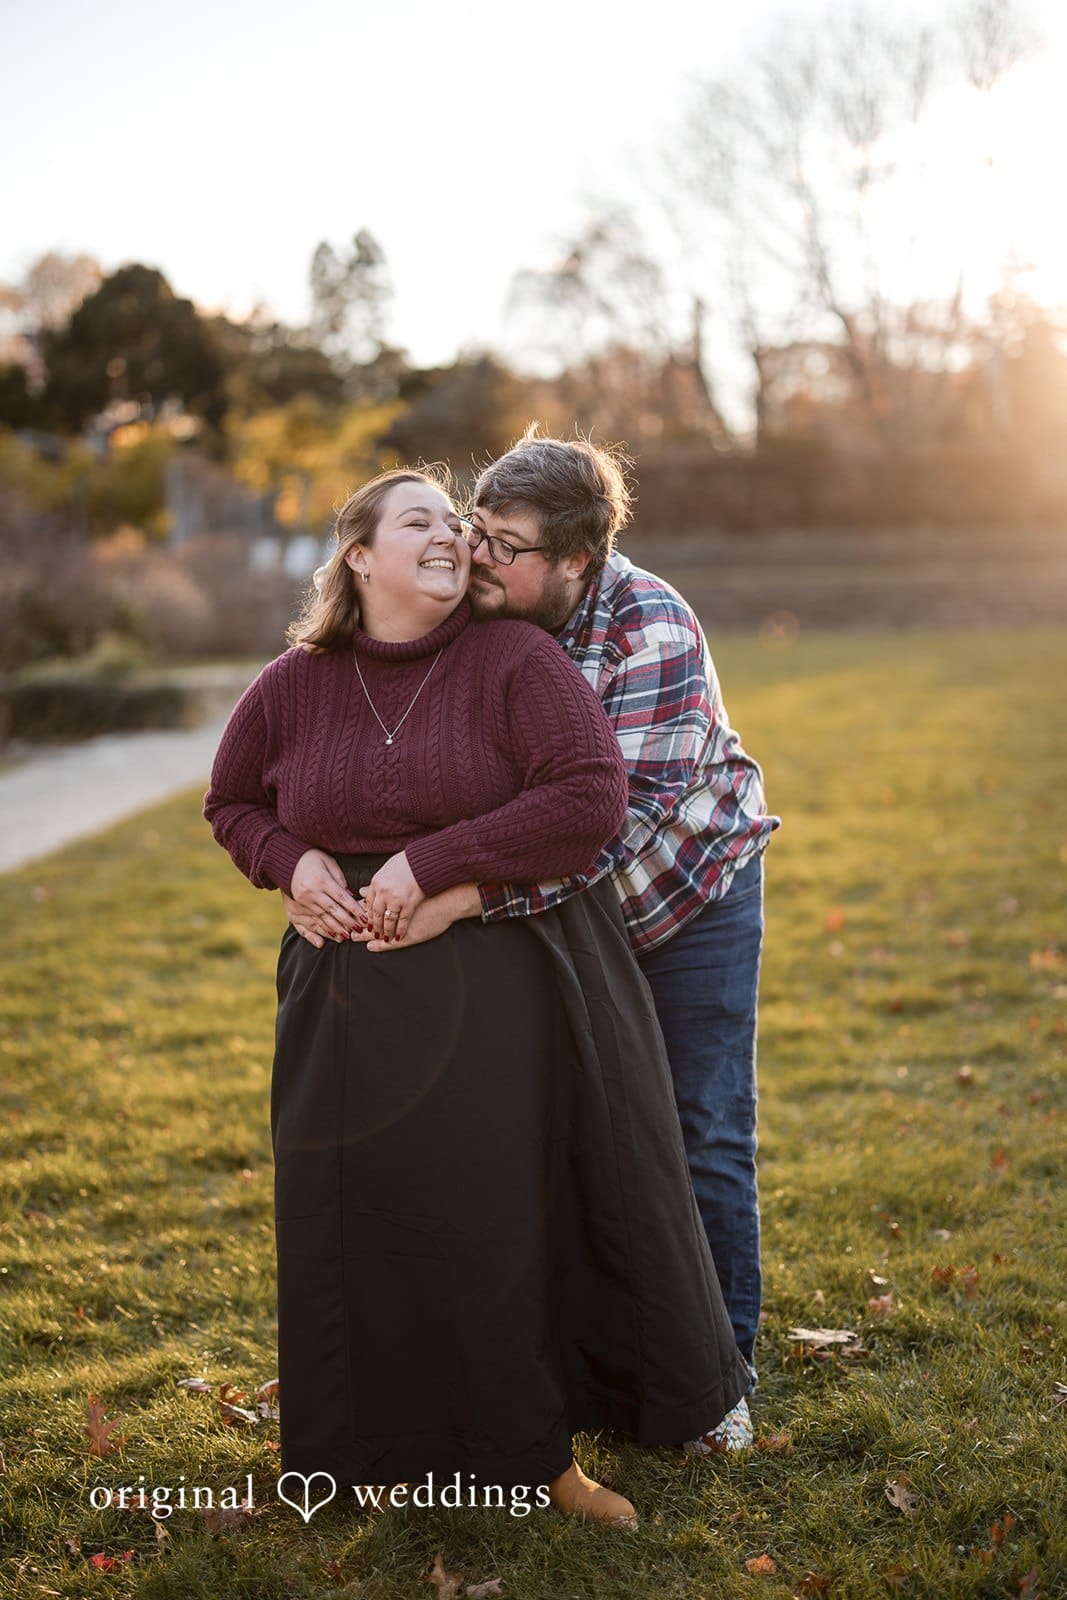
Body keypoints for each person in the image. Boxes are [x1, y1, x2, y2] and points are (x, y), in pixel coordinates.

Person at [204, 467, 750, 1524]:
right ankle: (347, 1454)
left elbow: (591, 799)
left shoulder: (517, 656)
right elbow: (230, 798)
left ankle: (539, 1459)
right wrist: (287, 859)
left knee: (501, 1217)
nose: (454, 538)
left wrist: (435, 868)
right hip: (341, 988)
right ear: (358, 554)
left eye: (462, 526)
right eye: (425, 521)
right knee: (346, 1217)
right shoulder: (293, 681)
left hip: (500, 968)